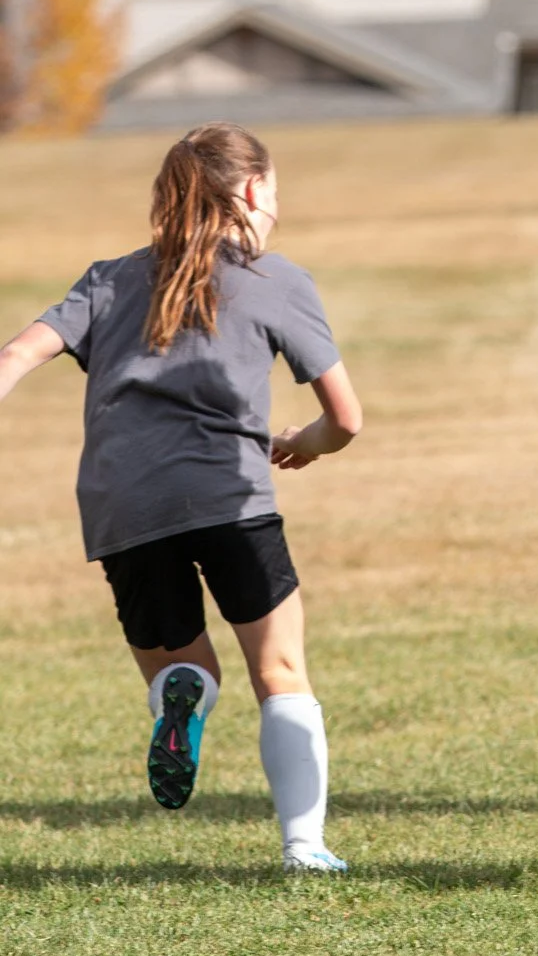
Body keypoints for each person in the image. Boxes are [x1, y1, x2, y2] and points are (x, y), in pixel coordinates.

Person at [0, 123, 358, 872]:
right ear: (254, 190)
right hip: (231, 496)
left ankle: (180, 689)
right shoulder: (276, 278)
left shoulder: (107, 278)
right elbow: (346, 419)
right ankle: (304, 847)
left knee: (180, 670)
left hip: (122, 506)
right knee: (281, 672)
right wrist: (304, 439)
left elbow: (16, 354)